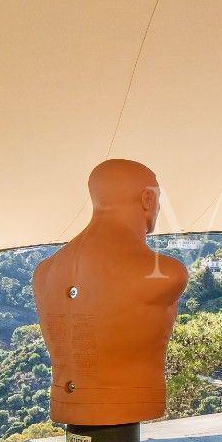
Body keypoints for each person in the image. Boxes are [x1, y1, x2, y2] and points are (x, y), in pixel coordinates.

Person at [33, 159, 187, 426]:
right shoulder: (167, 272)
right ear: (147, 199)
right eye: (158, 199)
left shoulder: (44, 272)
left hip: (65, 402)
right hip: (127, 402)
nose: (159, 208)